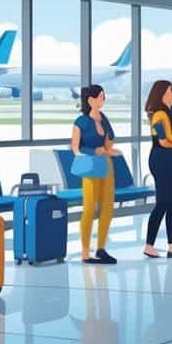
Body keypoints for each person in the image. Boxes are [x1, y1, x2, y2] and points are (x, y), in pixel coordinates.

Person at [71, 85, 121, 265]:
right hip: (90, 166)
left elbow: (109, 143)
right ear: (90, 100)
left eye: (104, 96)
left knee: (107, 207)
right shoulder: (81, 121)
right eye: (100, 96)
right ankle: (85, 252)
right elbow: (75, 148)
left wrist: (110, 151)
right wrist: (94, 151)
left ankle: (101, 248)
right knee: (90, 207)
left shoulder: (104, 119)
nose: (103, 100)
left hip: (106, 166)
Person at [143, 80, 172, 259]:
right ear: (162, 93)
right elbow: (165, 140)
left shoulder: (170, 111)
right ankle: (149, 245)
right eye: (170, 90)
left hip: (171, 159)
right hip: (160, 159)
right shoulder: (158, 115)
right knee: (162, 202)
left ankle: (171, 246)